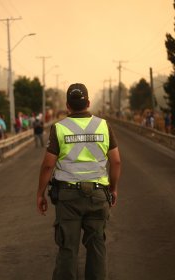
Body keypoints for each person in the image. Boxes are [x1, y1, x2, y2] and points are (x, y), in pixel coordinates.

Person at [37, 83, 121, 280]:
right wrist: (113, 189)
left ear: (67, 105)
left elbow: (48, 166)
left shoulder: (59, 128)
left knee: (68, 248)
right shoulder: (104, 125)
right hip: (99, 195)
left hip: (68, 197)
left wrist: (40, 193)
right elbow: (116, 161)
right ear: (89, 103)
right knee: (97, 247)